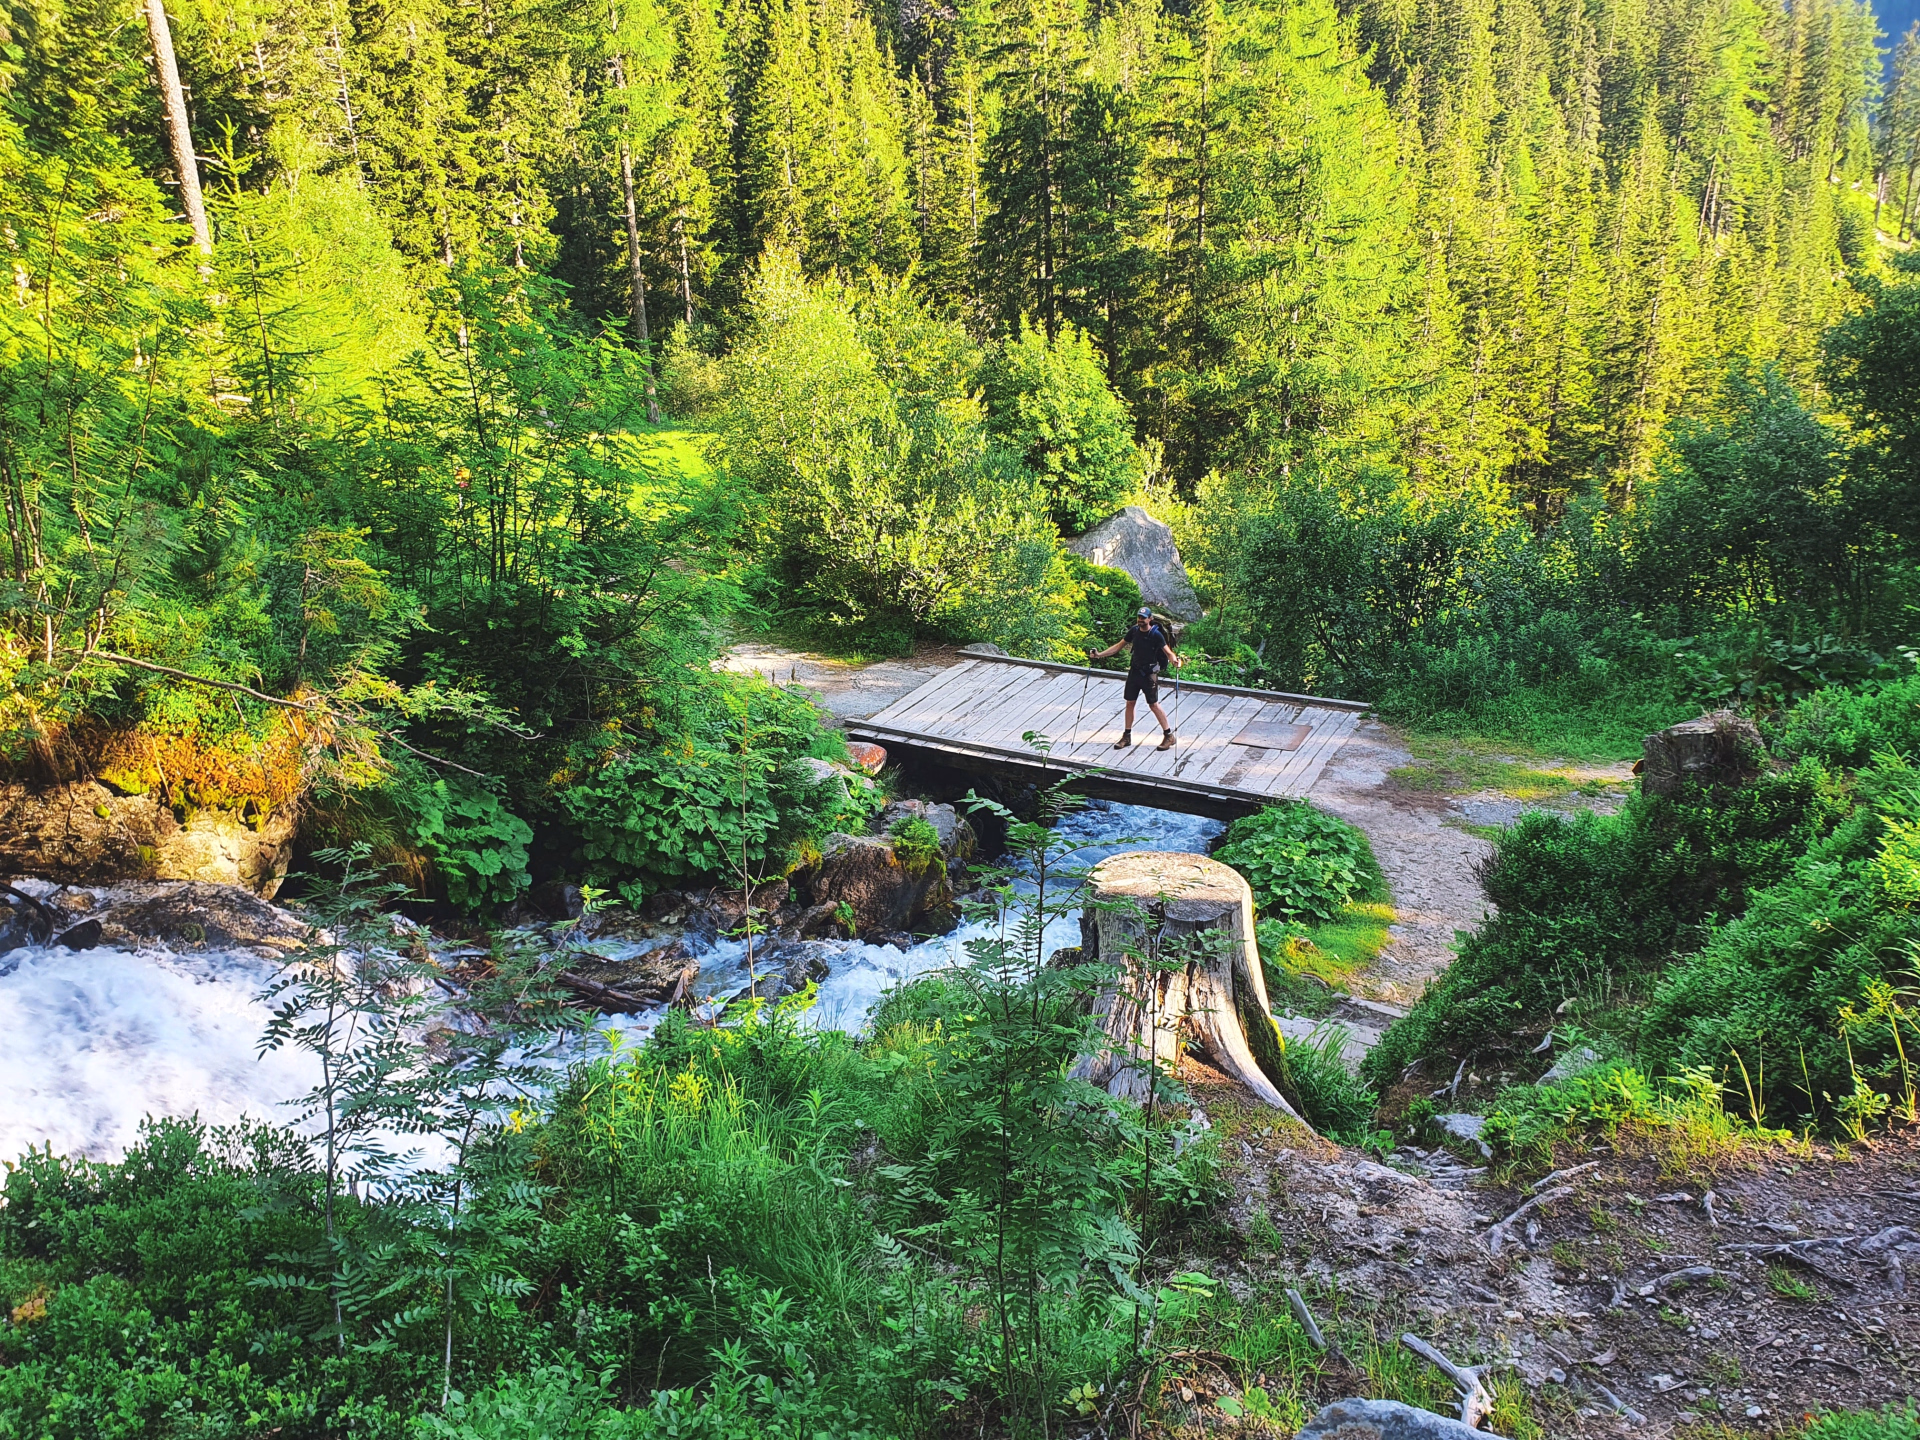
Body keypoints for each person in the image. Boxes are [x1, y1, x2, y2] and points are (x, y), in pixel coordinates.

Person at [1088, 607, 1184, 750]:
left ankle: (1169, 736)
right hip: (1134, 672)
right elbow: (1118, 647)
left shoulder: (1156, 635)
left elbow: (1168, 652)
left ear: (1150, 619)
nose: (1140, 620)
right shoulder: (1134, 631)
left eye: (1143, 618)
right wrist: (1099, 655)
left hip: (1149, 674)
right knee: (1130, 702)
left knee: (1153, 705)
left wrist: (1175, 661)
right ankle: (1126, 736)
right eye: (1139, 617)